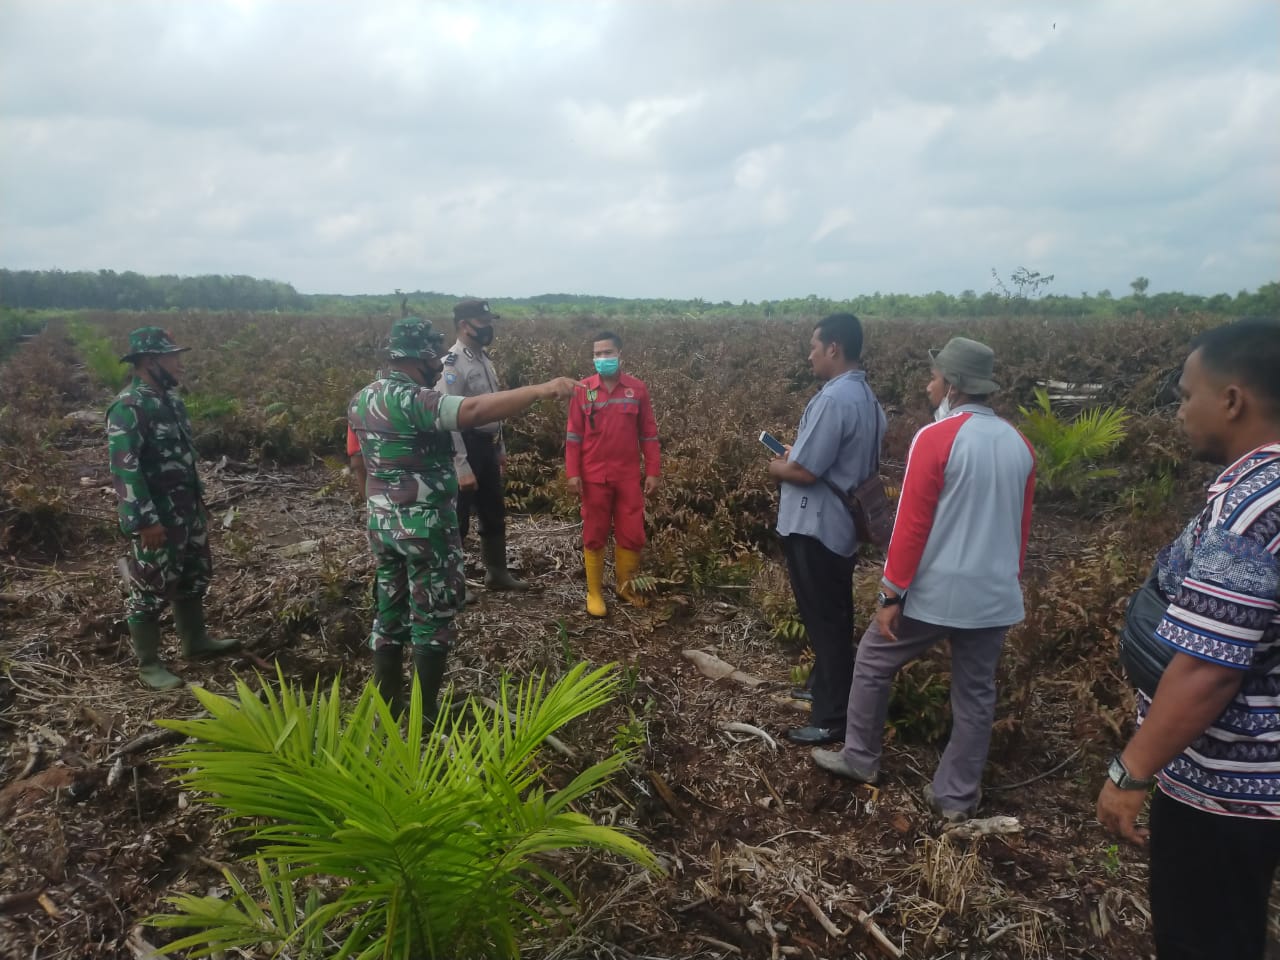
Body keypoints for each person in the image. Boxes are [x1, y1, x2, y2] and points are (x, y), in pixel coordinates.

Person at [1095, 319, 1280, 959]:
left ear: (1232, 400)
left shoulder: (1255, 505)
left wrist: (1132, 770)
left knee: (1206, 940)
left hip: (1225, 789)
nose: (1179, 411)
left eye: (1184, 394)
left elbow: (1209, 668)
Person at [811, 337, 1035, 821]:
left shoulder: (935, 439)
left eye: (934, 378)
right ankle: (956, 797)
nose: (928, 385)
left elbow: (912, 525)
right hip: (996, 594)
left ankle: (859, 757)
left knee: (872, 659)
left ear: (953, 386)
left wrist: (891, 592)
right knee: (975, 693)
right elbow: (1021, 527)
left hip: (938, 591)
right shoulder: (1019, 444)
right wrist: (1009, 581)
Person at [348, 316, 577, 720]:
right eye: (433, 354)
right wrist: (542, 390)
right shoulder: (414, 400)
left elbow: (360, 463)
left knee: (389, 611)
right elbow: (471, 409)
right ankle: (426, 714)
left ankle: (388, 702)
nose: (439, 361)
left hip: (382, 527)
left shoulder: (362, 397)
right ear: (419, 357)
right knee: (431, 617)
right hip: (423, 529)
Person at [767, 313, 886, 746]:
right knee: (831, 613)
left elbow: (804, 470)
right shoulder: (867, 398)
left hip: (816, 526)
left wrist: (776, 465)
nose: (810, 354)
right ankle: (825, 688)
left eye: (814, 346)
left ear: (834, 348)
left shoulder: (834, 400)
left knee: (826, 620)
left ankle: (833, 717)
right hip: (840, 528)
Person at [106, 327, 239, 690]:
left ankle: (195, 641)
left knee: (195, 575)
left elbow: (183, 458)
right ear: (150, 362)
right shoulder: (128, 407)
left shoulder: (171, 401)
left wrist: (197, 501)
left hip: (186, 511)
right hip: (157, 516)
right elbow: (125, 469)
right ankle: (149, 664)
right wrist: (144, 520)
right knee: (149, 587)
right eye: (172, 357)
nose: (180, 364)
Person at [564, 331, 661, 617]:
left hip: (628, 477)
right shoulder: (582, 389)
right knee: (594, 532)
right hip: (593, 476)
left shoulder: (637, 389)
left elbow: (649, 433)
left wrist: (653, 471)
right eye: (597, 354)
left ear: (620, 355)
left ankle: (626, 586)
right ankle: (594, 591)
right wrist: (573, 473)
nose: (602, 358)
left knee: (632, 532)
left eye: (607, 353)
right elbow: (573, 436)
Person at [437, 299, 527, 590]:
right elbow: (447, 418)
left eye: (490, 322)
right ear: (464, 325)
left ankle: (497, 574)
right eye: (483, 323)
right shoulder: (452, 365)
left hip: (487, 446)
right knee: (458, 519)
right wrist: (461, 465)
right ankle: (453, 585)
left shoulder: (484, 358)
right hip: (466, 445)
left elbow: (493, 409)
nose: (489, 328)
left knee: (493, 511)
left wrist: (500, 449)